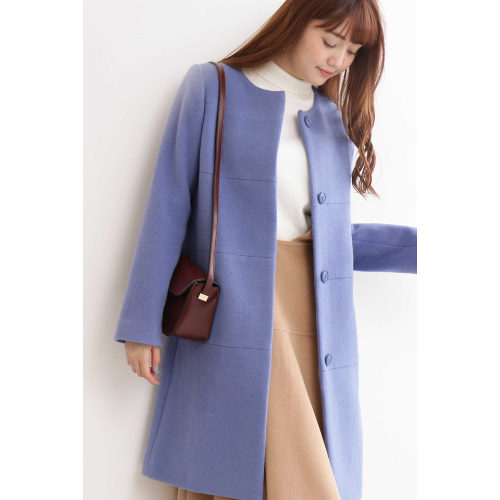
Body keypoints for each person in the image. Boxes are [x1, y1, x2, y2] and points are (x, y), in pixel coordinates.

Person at [113, 1, 417, 499]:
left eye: (352, 51)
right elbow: (169, 203)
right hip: (237, 306)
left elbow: (332, 238)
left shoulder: (331, 120)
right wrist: (141, 324)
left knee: (300, 466)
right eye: (330, 41)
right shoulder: (213, 87)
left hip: (316, 315)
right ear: (296, 21)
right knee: (263, 471)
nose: (338, 60)